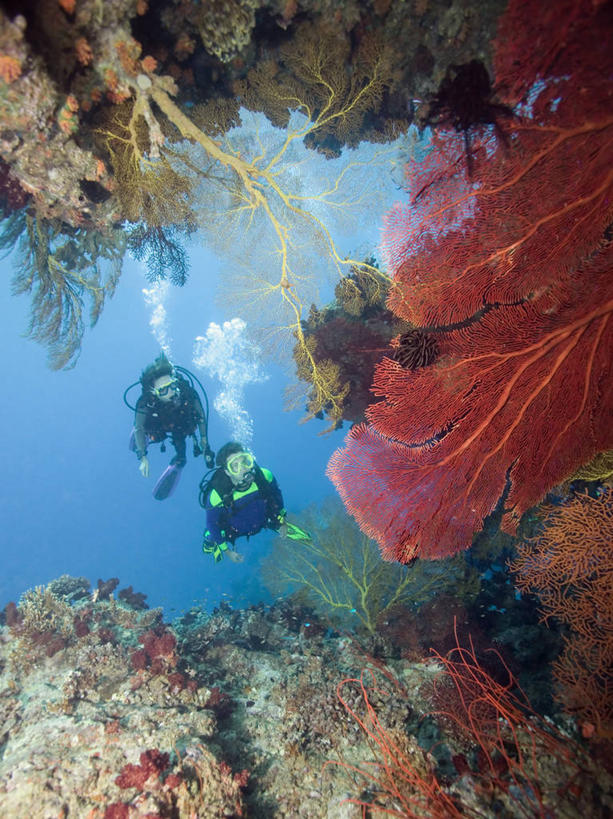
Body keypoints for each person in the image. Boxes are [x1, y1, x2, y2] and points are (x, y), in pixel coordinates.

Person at [200, 442, 310, 562]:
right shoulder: (217, 496)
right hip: (232, 529)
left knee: (272, 514)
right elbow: (212, 523)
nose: (243, 468)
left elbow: (277, 497)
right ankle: (209, 541)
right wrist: (227, 552)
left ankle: (274, 523)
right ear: (227, 471)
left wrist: (282, 520)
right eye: (235, 466)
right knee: (213, 533)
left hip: (261, 518)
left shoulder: (265, 476)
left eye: (245, 461)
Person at [130, 354, 215, 499]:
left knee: (182, 454)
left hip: (179, 426)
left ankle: (176, 466)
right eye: (163, 390)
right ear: (153, 392)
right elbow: (139, 426)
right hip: (156, 424)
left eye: (172, 386)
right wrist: (142, 456)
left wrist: (204, 440)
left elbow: (201, 417)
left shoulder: (186, 393)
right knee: (148, 432)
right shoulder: (145, 403)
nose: (170, 393)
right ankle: (145, 440)